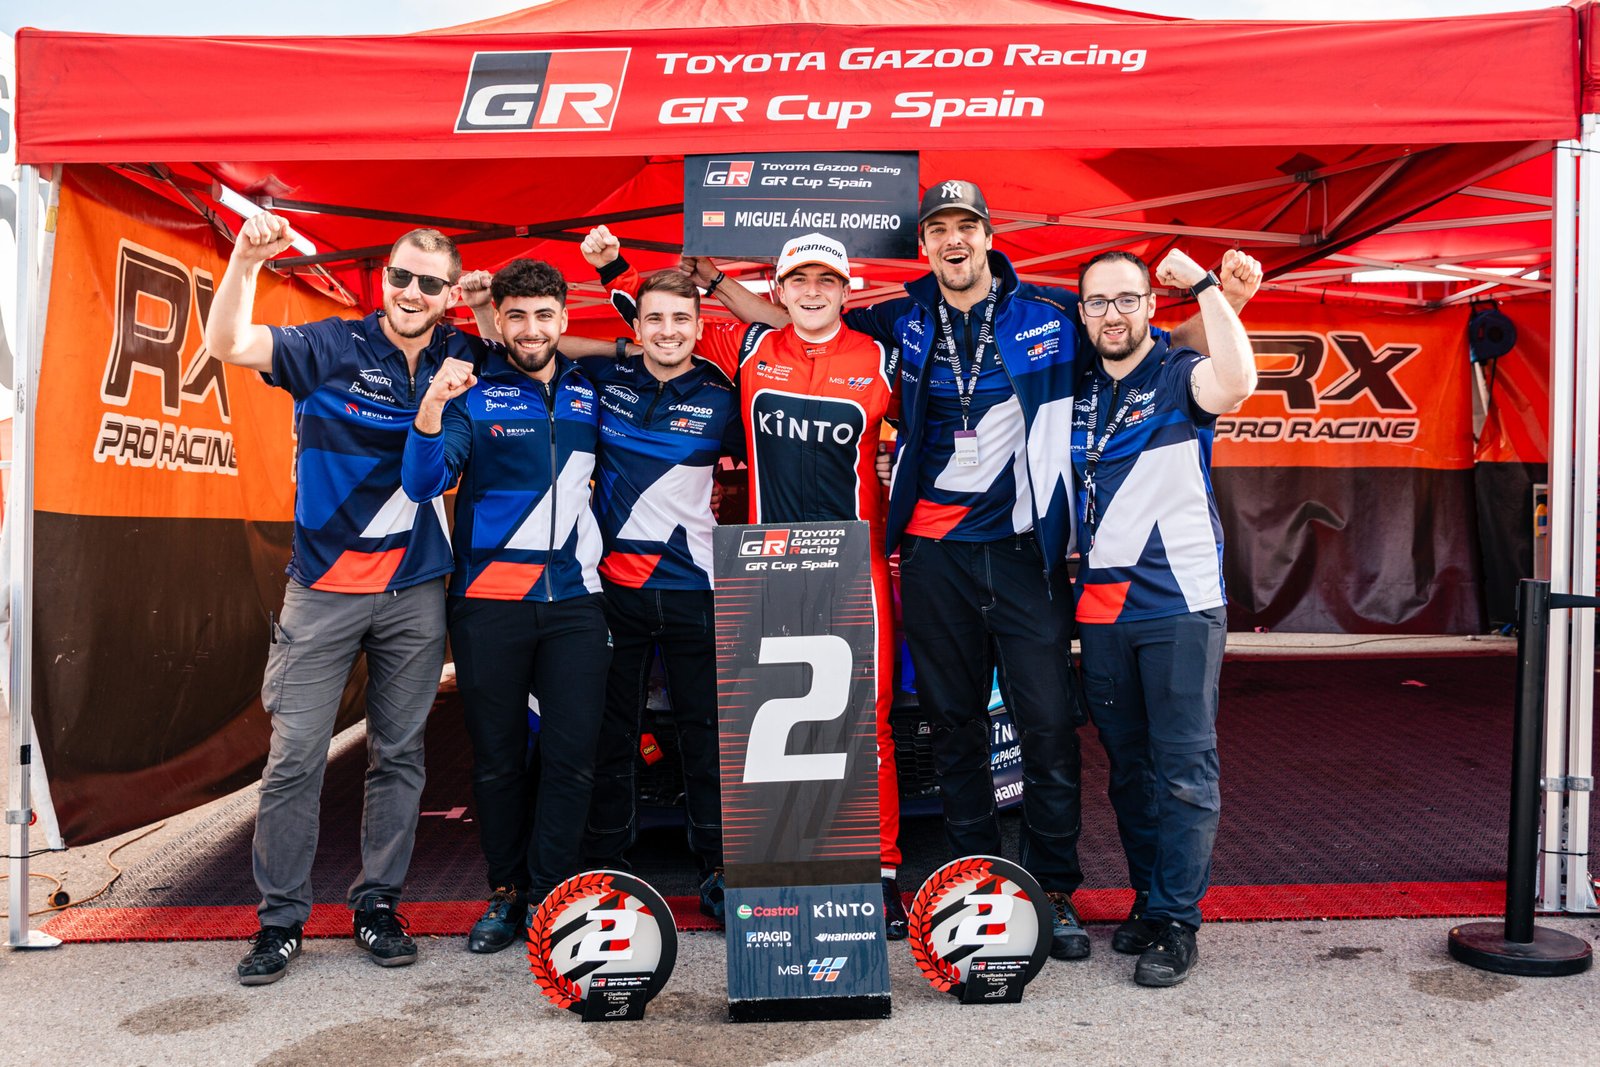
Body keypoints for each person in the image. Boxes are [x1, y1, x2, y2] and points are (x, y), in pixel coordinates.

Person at [841, 179, 1261, 962]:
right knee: (954, 727)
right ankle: (975, 878)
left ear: (988, 235)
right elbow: (803, 318)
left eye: (967, 225)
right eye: (939, 229)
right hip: (933, 557)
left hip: (1027, 557)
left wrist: (1219, 298)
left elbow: (1141, 338)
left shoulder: (1054, 313)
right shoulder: (900, 317)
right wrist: (718, 285)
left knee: (1049, 730)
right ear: (924, 244)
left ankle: (1055, 887)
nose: (954, 239)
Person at [586, 226, 912, 938]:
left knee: (867, 719)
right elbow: (658, 323)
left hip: (853, 568)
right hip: (768, 567)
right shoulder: (749, 347)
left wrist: (905, 473)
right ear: (781, 289)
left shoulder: (880, 357)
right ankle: (780, 873)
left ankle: (881, 872)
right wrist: (615, 266)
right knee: (774, 729)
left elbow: (937, 425)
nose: (813, 292)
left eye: (826, 280)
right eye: (800, 280)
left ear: (846, 290)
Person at [207, 216, 483, 985]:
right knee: (294, 758)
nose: (411, 292)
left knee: (400, 754)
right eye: (401, 276)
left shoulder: (463, 360)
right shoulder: (331, 344)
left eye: (430, 283)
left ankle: (378, 905)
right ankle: (279, 920)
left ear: (450, 295)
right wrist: (244, 261)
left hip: (414, 592)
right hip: (321, 590)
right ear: (384, 277)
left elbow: (543, 350)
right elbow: (228, 342)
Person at [467, 264, 741, 923]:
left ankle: (717, 868)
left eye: (681, 320)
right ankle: (611, 863)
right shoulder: (599, 381)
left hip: (697, 587)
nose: (668, 331)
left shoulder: (724, 394)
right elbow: (537, 343)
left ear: (699, 327)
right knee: (610, 738)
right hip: (612, 588)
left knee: (706, 736)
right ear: (635, 326)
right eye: (654, 319)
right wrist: (615, 344)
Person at [401, 259, 611, 953]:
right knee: (496, 761)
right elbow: (424, 479)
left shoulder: (589, 389)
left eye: (543, 315)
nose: (530, 329)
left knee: (572, 757)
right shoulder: (473, 390)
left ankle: (551, 892)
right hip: (489, 604)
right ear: (500, 319)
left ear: (563, 319)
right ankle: (506, 891)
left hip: (576, 602)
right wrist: (433, 406)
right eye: (516, 315)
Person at [1070, 249, 1254, 986]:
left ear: (1150, 304)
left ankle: (1179, 919)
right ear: (1082, 313)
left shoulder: (1179, 373)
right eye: (1097, 302)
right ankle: (1150, 900)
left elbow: (1237, 382)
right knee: (1129, 772)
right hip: (1101, 610)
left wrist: (1208, 288)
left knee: (1183, 768)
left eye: (1126, 299)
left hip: (1179, 606)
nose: (1112, 313)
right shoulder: (1080, 387)